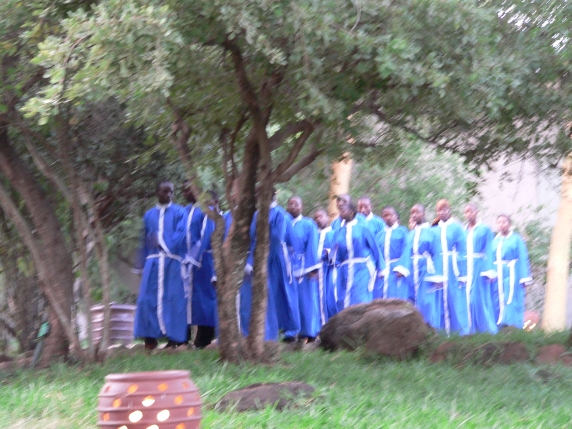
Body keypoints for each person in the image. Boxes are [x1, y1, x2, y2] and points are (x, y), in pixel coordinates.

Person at [133, 180, 187, 349]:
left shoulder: (180, 212)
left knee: (174, 299)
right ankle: (150, 338)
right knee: (146, 299)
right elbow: (144, 240)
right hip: (153, 262)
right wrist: (140, 264)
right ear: (158, 192)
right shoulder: (148, 215)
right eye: (165, 191)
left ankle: (174, 339)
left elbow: (181, 234)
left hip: (172, 262)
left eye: (171, 192)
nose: (169, 195)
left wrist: (162, 241)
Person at [240, 191, 299, 342]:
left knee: (282, 292)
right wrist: (251, 260)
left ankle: (290, 331)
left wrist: (263, 260)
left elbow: (277, 239)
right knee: (265, 293)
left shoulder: (280, 214)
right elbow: (253, 239)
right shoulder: (257, 214)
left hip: (277, 258)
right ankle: (266, 332)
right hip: (259, 257)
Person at [332, 202, 385, 311]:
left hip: (362, 268)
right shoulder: (339, 232)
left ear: (351, 212)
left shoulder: (362, 228)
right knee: (343, 299)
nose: (340, 213)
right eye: (340, 211)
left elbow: (374, 247)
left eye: (343, 211)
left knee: (360, 298)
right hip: (345, 269)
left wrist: (381, 268)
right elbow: (336, 253)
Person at [399, 204, 443, 329]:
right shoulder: (411, 234)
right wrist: (402, 269)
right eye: (412, 213)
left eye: (417, 212)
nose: (414, 215)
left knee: (426, 300)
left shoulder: (431, 232)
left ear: (423, 214)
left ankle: (430, 330)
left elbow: (437, 254)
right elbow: (406, 252)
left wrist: (437, 276)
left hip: (426, 269)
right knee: (409, 300)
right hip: (411, 269)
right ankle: (413, 331)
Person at [188, 190, 221, 348]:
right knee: (203, 301)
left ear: (215, 201)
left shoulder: (214, 217)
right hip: (205, 262)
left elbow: (203, 239)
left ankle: (205, 338)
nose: (206, 204)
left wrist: (192, 260)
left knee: (208, 300)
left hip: (207, 261)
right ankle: (203, 336)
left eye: (208, 201)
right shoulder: (204, 216)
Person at [285, 196, 321, 342]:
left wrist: (311, 268)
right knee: (289, 300)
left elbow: (312, 246)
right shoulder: (283, 223)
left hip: (304, 268)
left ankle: (309, 332)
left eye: (296, 204)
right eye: (290, 204)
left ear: (302, 206)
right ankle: (289, 332)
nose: (293, 206)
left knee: (306, 300)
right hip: (286, 267)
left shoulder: (308, 224)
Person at [432, 199, 469, 336]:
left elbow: (462, 250)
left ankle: (459, 332)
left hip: (453, 268)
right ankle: (441, 332)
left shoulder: (457, 228)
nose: (442, 212)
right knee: (439, 298)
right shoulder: (433, 229)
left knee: (455, 299)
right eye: (439, 210)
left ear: (449, 210)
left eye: (444, 209)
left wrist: (462, 273)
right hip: (438, 265)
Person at [491, 214, 532, 329]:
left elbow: (523, 257)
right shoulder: (494, 240)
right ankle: (498, 325)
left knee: (512, 297)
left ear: (509, 224)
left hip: (512, 272)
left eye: (504, 222)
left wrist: (524, 277)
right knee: (497, 297)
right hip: (497, 273)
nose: (501, 224)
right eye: (499, 222)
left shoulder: (516, 239)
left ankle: (513, 325)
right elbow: (490, 258)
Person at [464, 203, 498, 334]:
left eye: (471, 211)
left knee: (479, 298)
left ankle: (487, 329)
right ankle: (471, 329)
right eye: (466, 212)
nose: (468, 214)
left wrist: (489, 271)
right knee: (468, 299)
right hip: (467, 266)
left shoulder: (484, 229)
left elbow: (489, 249)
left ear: (476, 212)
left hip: (479, 267)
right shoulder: (464, 230)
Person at [357, 196, 386, 299]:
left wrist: (380, 264)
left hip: (375, 263)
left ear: (371, 206)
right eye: (360, 207)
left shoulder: (378, 222)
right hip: (359, 266)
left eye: (365, 207)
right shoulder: (355, 223)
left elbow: (381, 243)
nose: (362, 210)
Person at [378, 206, 409, 300]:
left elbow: (407, 249)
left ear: (395, 216)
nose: (388, 217)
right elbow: (377, 253)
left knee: (397, 297)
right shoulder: (379, 235)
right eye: (385, 215)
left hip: (396, 269)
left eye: (390, 215)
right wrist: (380, 268)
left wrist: (402, 268)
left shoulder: (402, 231)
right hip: (383, 269)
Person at [314, 209, 337, 323]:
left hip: (329, 271)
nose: (318, 219)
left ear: (328, 218)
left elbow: (338, 251)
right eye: (316, 218)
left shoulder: (334, 234)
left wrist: (329, 253)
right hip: (315, 272)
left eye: (321, 216)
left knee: (330, 299)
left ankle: (331, 324)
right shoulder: (313, 235)